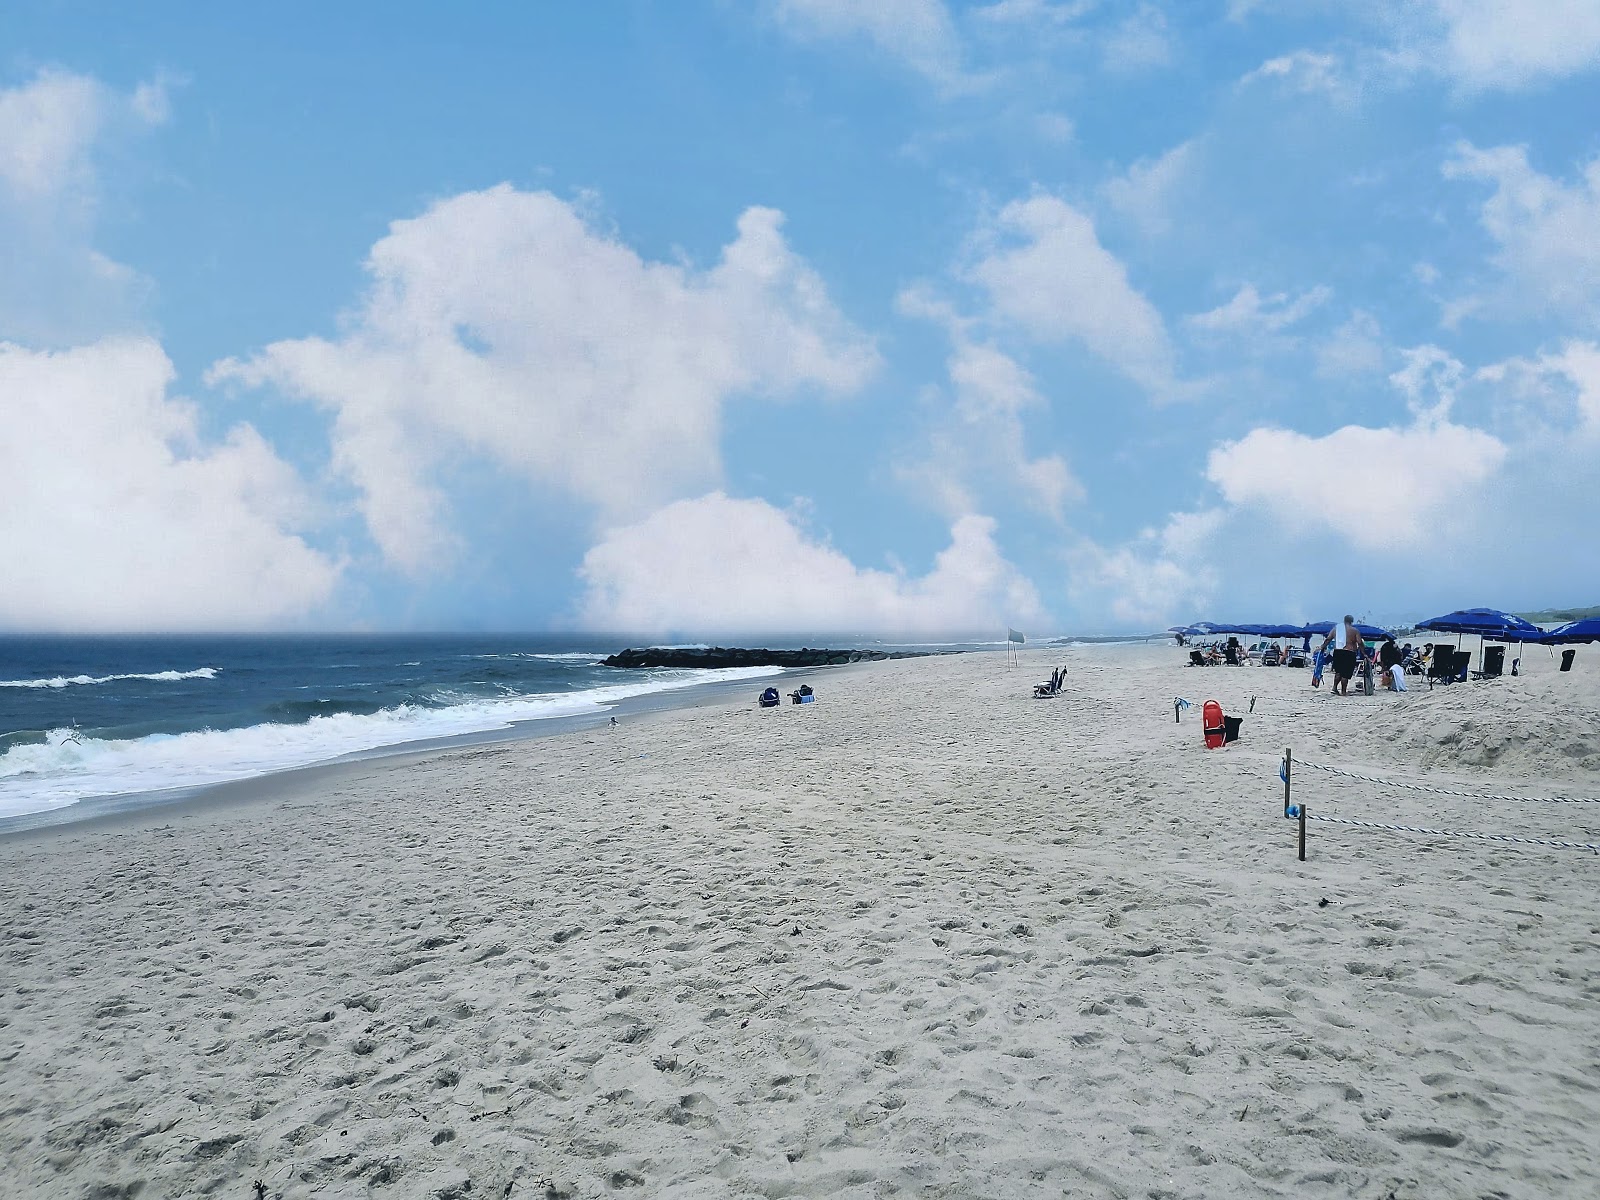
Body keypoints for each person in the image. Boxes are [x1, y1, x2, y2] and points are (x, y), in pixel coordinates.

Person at [1331, 615, 1360, 696]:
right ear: (1352, 621)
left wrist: (1322, 647)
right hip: (1349, 652)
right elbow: (1360, 642)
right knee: (1345, 674)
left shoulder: (1336, 629)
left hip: (1338, 652)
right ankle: (1343, 691)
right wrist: (1364, 653)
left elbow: (1328, 638)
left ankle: (1334, 688)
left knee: (1338, 672)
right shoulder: (1354, 630)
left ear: (1344, 620)